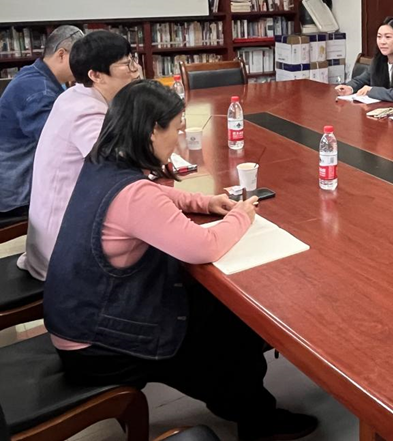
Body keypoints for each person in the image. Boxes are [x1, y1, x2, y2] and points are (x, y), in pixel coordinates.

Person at [43, 81, 318, 441]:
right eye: (175, 128)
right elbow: (202, 247)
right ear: (152, 130)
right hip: (101, 346)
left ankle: (245, 404)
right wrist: (242, 215)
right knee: (230, 329)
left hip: (79, 321)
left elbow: (151, 196)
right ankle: (257, 420)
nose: (178, 138)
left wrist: (205, 202)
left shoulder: (100, 164)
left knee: (217, 311)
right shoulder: (133, 195)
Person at [19, 31, 139, 280]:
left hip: (61, 226)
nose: (136, 70)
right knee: (153, 251)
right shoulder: (86, 112)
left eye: (133, 60)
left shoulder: (75, 95)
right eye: (127, 63)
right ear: (96, 75)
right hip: (62, 251)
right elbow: (120, 167)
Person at [0, 25, 83, 219]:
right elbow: (58, 143)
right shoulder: (39, 91)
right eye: (79, 59)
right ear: (61, 54)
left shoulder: (35, 75)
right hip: (16, 192)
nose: (83, 65)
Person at [335, 16, 393, 104]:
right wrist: (349, 88)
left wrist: (371, 90)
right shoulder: (379, 60)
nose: (382, 42)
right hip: (385, 108)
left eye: (388, 37)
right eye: (379, 37)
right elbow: (362, 80)